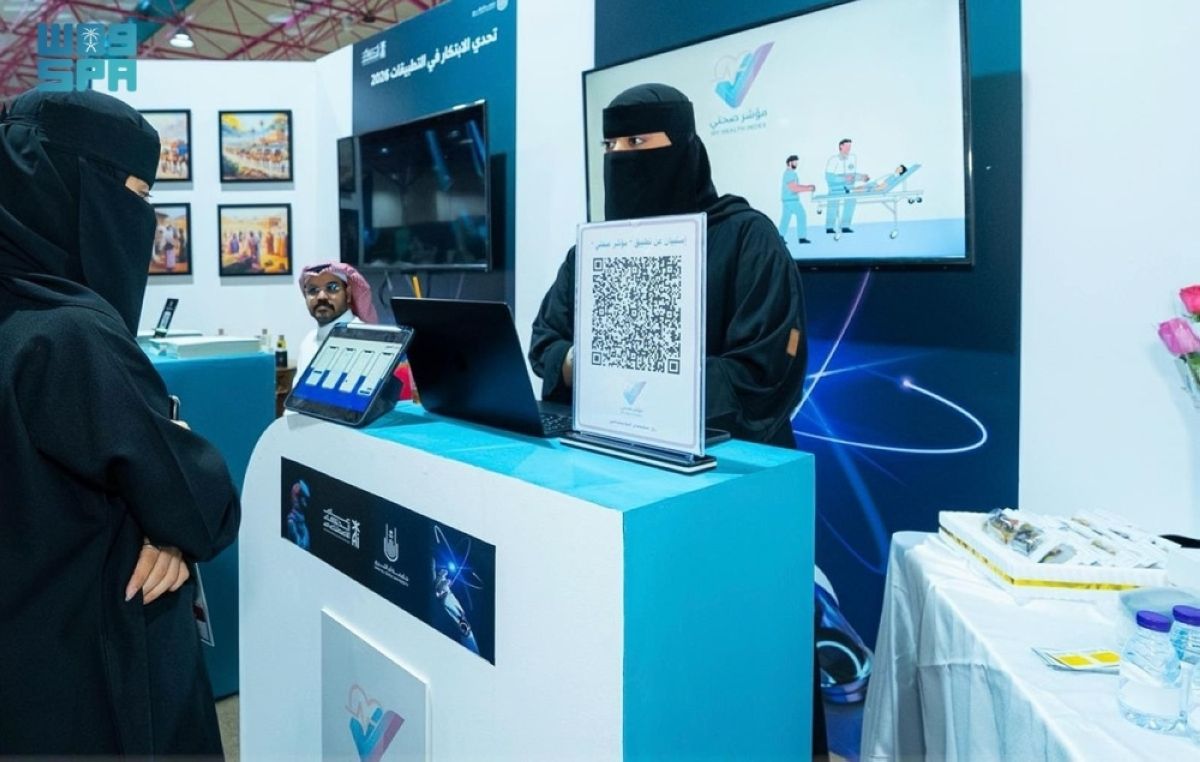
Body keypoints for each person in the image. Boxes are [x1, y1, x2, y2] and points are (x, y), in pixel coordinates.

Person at [0, 89, 240, 757]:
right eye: (135, 193)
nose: (143, 218)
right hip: (97, 679)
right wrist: (166, 510)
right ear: (74, 187)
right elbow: (201, 508)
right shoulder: (72, 336)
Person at [529, 83, 808, 448]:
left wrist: (642, 379)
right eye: (609, 145)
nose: (618, 155)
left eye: (636, 142)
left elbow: (766, 366)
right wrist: (579, 362)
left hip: (723, 459)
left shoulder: (747, 238)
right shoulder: (594, 251)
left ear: (682, 147)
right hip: (613, 451)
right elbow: (546, 341)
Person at [294, 261, 380, 383]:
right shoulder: (308, 341)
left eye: (332, 288)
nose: (321, 296)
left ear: (348, 294)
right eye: (313, 290)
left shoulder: (367, 340)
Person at [824, 138, 869, 233]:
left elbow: (852, 175)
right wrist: (843, 179)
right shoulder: (833, 160)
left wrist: (861, 177)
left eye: (850, 146)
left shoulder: (851, 159)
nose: (849, 148)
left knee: (851, 201)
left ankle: (845, 226)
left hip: (848, 188)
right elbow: (829, 177)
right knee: (833, 205)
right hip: (836, 187)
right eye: (847, 146)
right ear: (841, 146)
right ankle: (829, 227)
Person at [779, 154, 817, 244]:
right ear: (789, 163)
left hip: (788, 200)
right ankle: (802, 237)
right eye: (795, 162)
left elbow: (795, 186)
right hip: (792, 200)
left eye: (797, 162)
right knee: (801, 215)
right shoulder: (790, 174)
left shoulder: (789, 173)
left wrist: (807, 187)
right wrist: (808, 188)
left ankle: (780, 237)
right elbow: (794, 188)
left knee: (785, 219)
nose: (796, 164)